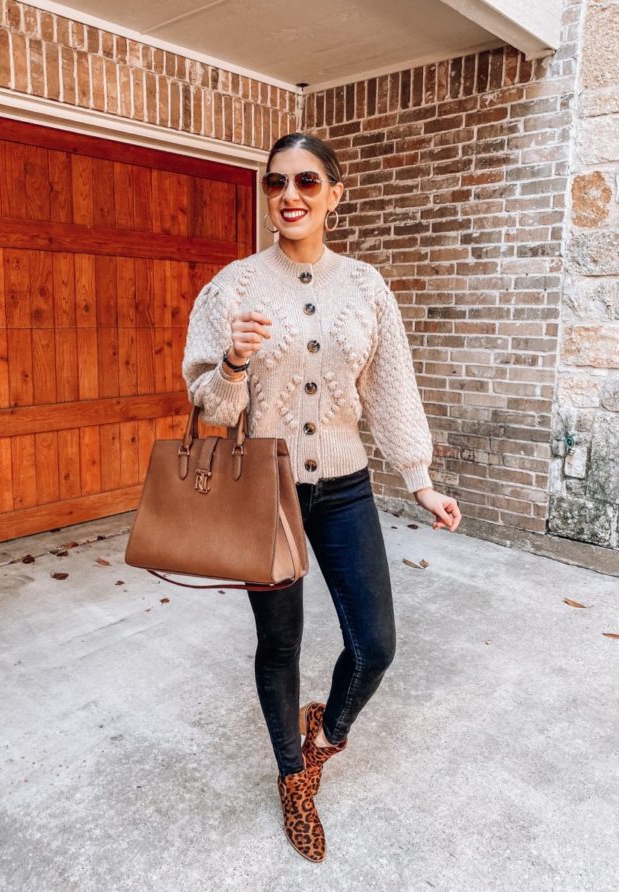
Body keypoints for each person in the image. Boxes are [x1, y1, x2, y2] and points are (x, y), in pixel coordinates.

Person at [182, 132, 461, 862]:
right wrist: (235, 361)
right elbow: (209, 407)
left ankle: (326, 734)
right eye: (276, 184)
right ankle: (291, 775)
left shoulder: (365, 286)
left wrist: (418, 477)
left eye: (307, 181)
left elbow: (390, 386)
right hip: (262, 491)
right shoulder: (231, 287)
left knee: (374, 644)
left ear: (334, 194)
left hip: (344, 488)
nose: (290, 196)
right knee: (280, 642)